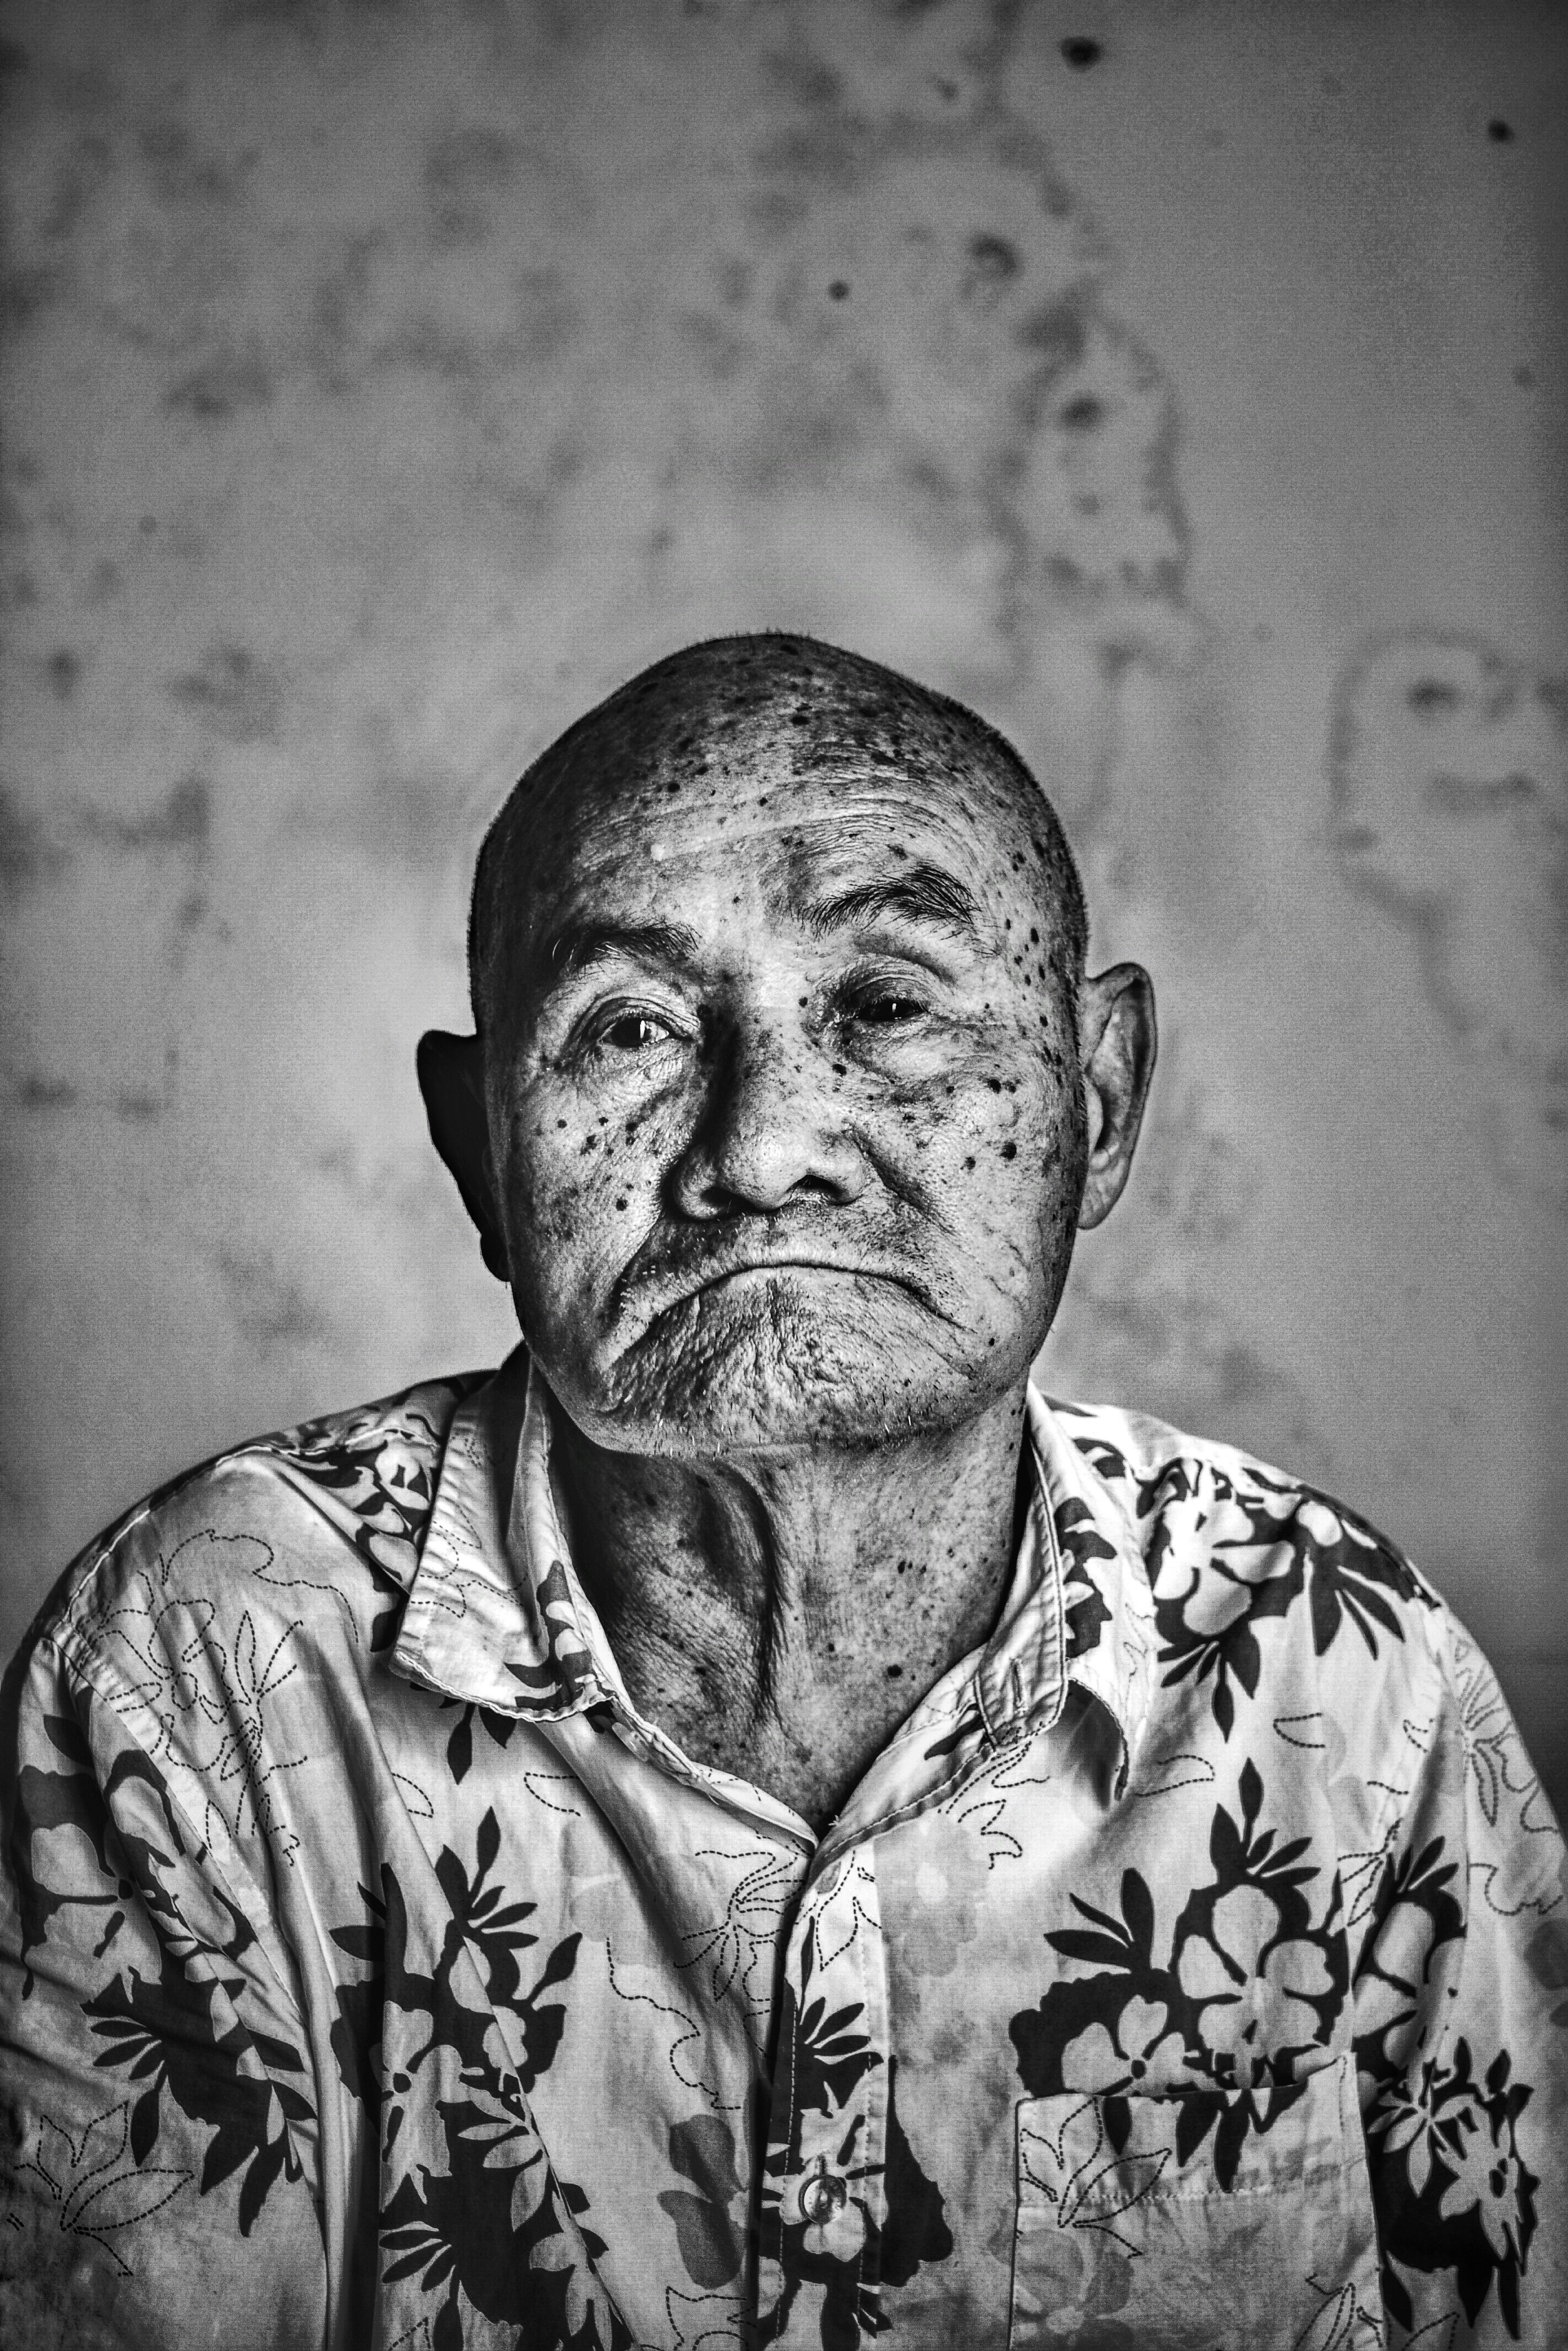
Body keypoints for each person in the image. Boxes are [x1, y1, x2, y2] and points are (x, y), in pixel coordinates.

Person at [1, 634, 1562, 2351]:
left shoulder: (1347, 1676)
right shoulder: (210, 1669)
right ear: (477, 1153)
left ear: (1100, 1099)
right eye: (632, 1029)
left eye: (888, 1007)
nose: (759, 1147)